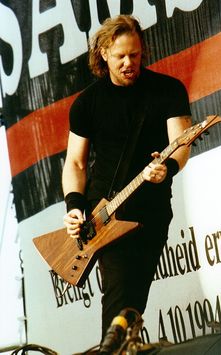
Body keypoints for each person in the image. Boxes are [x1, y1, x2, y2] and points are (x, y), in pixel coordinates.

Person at [62, 14, 192, 342]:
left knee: (133, 299)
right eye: (120, 56)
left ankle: (123, 346)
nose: (129, 63)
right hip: (103, 213)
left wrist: (168, 169)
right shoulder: (87, 104)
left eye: (134, 54)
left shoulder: (167, 91)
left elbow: (180, 146)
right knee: (119, 293)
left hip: (151, 208)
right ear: (103, 53)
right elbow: (75, 164)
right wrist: (75, 206)